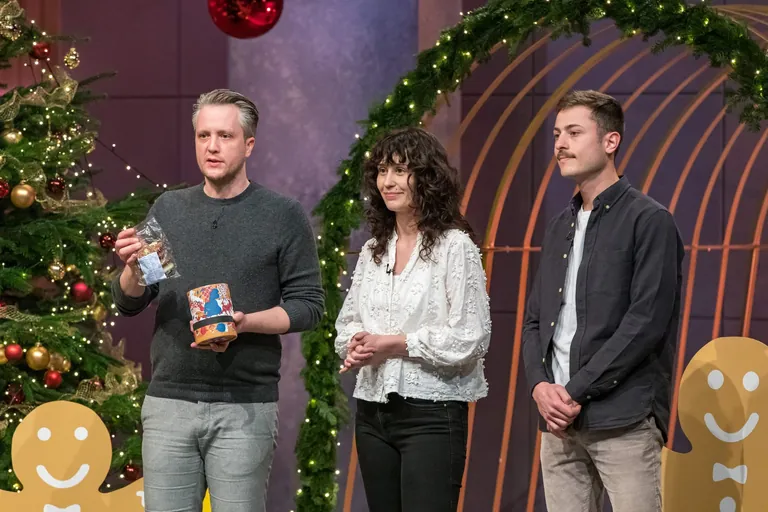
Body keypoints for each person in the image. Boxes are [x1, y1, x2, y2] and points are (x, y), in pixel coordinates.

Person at [112, 89, 324, 512]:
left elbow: (308, 306)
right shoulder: (169, 208)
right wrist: (133, 270)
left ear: (248, 145)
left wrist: (243, 323)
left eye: (224, 136)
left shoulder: (282, 214)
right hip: (169, 402)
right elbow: (133, 300)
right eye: (203, 135)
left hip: (244, 406)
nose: (211, 146)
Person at [522, 90, 684, 512]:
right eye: (557, 133)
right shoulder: (559, 227)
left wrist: (574, 391)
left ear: (610, 142)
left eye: (574, 132)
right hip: (558, 425)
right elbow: (535, 321)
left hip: (622, 419)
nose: (561, 143)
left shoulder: (649, 221)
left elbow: (645, 323)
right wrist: (541, 387)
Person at [335, 127, 491, 512]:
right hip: (372, 413)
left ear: (427, 177)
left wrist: (394, 344)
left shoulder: (455, 247)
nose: (387, 181)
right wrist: (356, 343)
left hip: (431, 416)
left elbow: (471, 338)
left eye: (400, 170)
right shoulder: (375, 249)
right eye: (382, 171)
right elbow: (347, 323)